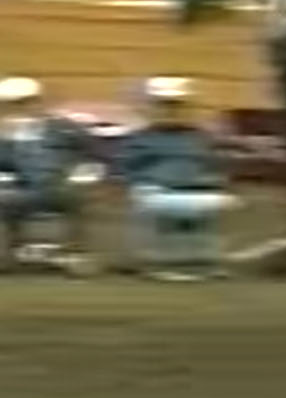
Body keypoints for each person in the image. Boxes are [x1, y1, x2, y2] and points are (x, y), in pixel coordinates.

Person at [116, 76, 234, 281]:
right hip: (158, 190)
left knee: (220, 203)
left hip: (198, 189)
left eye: (176, 105)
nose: (171, 110)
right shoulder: (139, 138)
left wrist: (217, 181)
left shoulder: (201, 137)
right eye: (164, 105)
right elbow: (124, 170)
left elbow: (218, 166)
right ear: (153, 107)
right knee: (155, 203)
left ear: (187, 108)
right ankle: (155, 261)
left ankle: (203, 261)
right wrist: (141, 185)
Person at [0, 77, 97, 272]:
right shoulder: (4, 132)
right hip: (23, 188)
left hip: (62, 186)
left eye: (23, 103)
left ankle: (75, 252)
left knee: (78, 196)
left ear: (37, 101)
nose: (18, 109)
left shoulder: (64, 127)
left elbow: (92, 153)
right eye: (11, 105)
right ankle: (15, 250)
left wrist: (83, 173)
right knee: (5, 198)